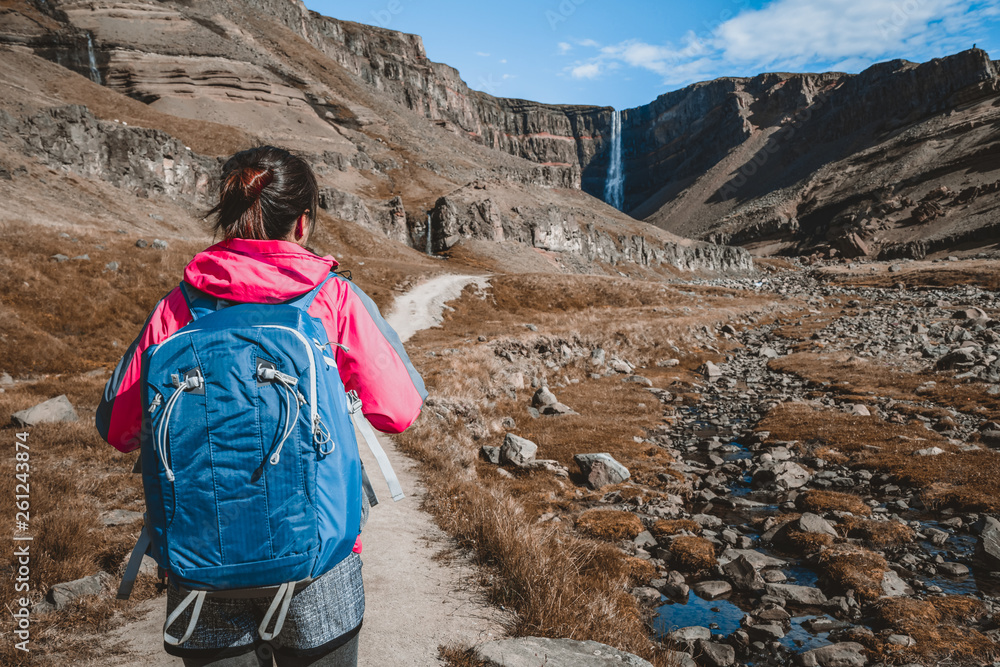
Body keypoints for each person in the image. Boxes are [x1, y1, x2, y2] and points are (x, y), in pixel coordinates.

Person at [96, 145, 427, 666]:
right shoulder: (334, 298)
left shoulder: (177, 306)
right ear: (302, 223)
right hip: (318, 559)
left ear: (228, 218)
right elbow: (400, 410)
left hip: (202, 555)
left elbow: (117, 428)